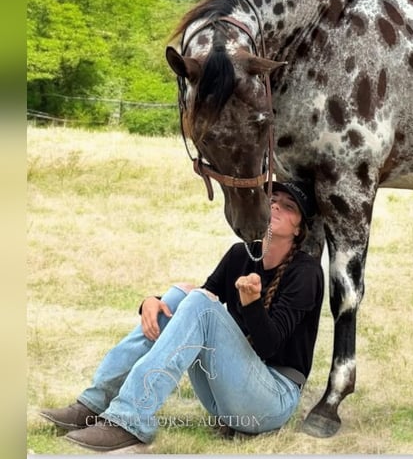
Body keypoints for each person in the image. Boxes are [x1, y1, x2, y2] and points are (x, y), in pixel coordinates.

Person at [39, 181, 324, 452]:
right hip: (224, 396)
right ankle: (94, 403)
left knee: (196, 300)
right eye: (271, 200)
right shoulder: (240, 254)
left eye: (288, 206)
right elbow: (196, 306)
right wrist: (152, 302)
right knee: (179, 296)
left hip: (271, 401)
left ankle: (130, 418)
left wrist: (251, 305)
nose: (275, 207)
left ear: (299, 229)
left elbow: (269, 346)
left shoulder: (306, 272)